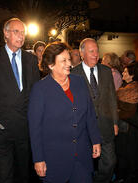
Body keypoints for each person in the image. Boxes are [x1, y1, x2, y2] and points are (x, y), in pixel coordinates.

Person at [0, 18, 40, 183]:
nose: (21, 36)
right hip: (0, 129)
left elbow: (36, 94)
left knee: (23, 175)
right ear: (6, 33)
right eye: (16, 31)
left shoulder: (31, 60)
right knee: (5, 176)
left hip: (24, 130)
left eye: (23, 32)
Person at [28, 42, 101, 183]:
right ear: (51, 65)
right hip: (55, 159)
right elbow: (35, 128)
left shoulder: (79, 82)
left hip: (81, 157)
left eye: (69, 59)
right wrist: (38, 159)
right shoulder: (40, 89)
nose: (69, 63)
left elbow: (89, 114)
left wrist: (95, 140)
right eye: (63, 60)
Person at [71, 38, 118, 183]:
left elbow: (112, 97)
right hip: (84, 128)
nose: (96, 54)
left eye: (97, 50)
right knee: (84, 165)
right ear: (82, 53)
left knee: (110, 163)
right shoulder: (73, 74)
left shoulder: (106, 71)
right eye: (91, 51)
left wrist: (115, 122)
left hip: (106, 125)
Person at [115, 62, 138, 182]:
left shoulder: (132, 89)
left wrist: (117, 110)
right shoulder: (125, 86)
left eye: (126, 72)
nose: (123, 73)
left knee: (129, 154)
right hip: (126, 126)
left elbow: (127, 110)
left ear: (132, 75)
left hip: (130, 127)